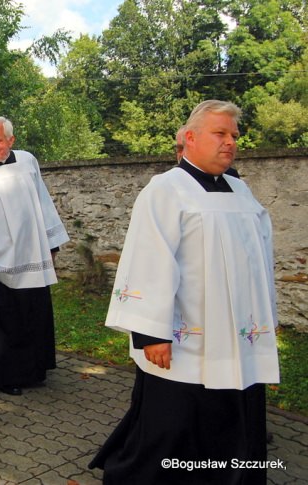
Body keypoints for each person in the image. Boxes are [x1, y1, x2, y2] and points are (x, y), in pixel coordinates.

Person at [89, 100, 279, 484]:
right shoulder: (166, 189)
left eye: (234, 136)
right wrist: (150, 334)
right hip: (184, 339)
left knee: (235, 421)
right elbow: (148, 258)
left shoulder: (241, 192)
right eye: (220, 134)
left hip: (237, 338)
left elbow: (260, 262)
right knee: (174, 428)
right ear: (190, 138)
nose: (230, 143)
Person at [0, 116, 69, 396]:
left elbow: (42, 200)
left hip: (31, 253)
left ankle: (35, 369)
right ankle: (4, 376)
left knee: (32, 314)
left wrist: (52, 244)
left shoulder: (27, 161)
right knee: (1, 321)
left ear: (11, 140)